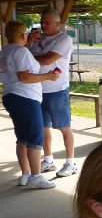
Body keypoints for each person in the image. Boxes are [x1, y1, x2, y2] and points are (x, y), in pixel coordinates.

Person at [0, 21, 59, 189]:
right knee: (35, 136)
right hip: (25, 97)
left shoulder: (4, 52)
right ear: (23, 35)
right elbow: (25, 77)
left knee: (23, 137)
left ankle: (25, 174)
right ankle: (36, 176)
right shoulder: (21, 52)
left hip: (11, 95)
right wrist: (47, 76)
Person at [28, 8, 78, 177]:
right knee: (42, 127)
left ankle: (70, 162)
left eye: (47, 22)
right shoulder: (35, 39)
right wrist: (27, 43)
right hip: (37, 89)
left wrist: (28, 56)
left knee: (64, 126)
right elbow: (23, 55)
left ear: (58, 24)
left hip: (57, 89)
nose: (43, 25)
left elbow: (47, 59)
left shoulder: (64, 39)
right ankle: (48, 160)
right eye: (42, 21)